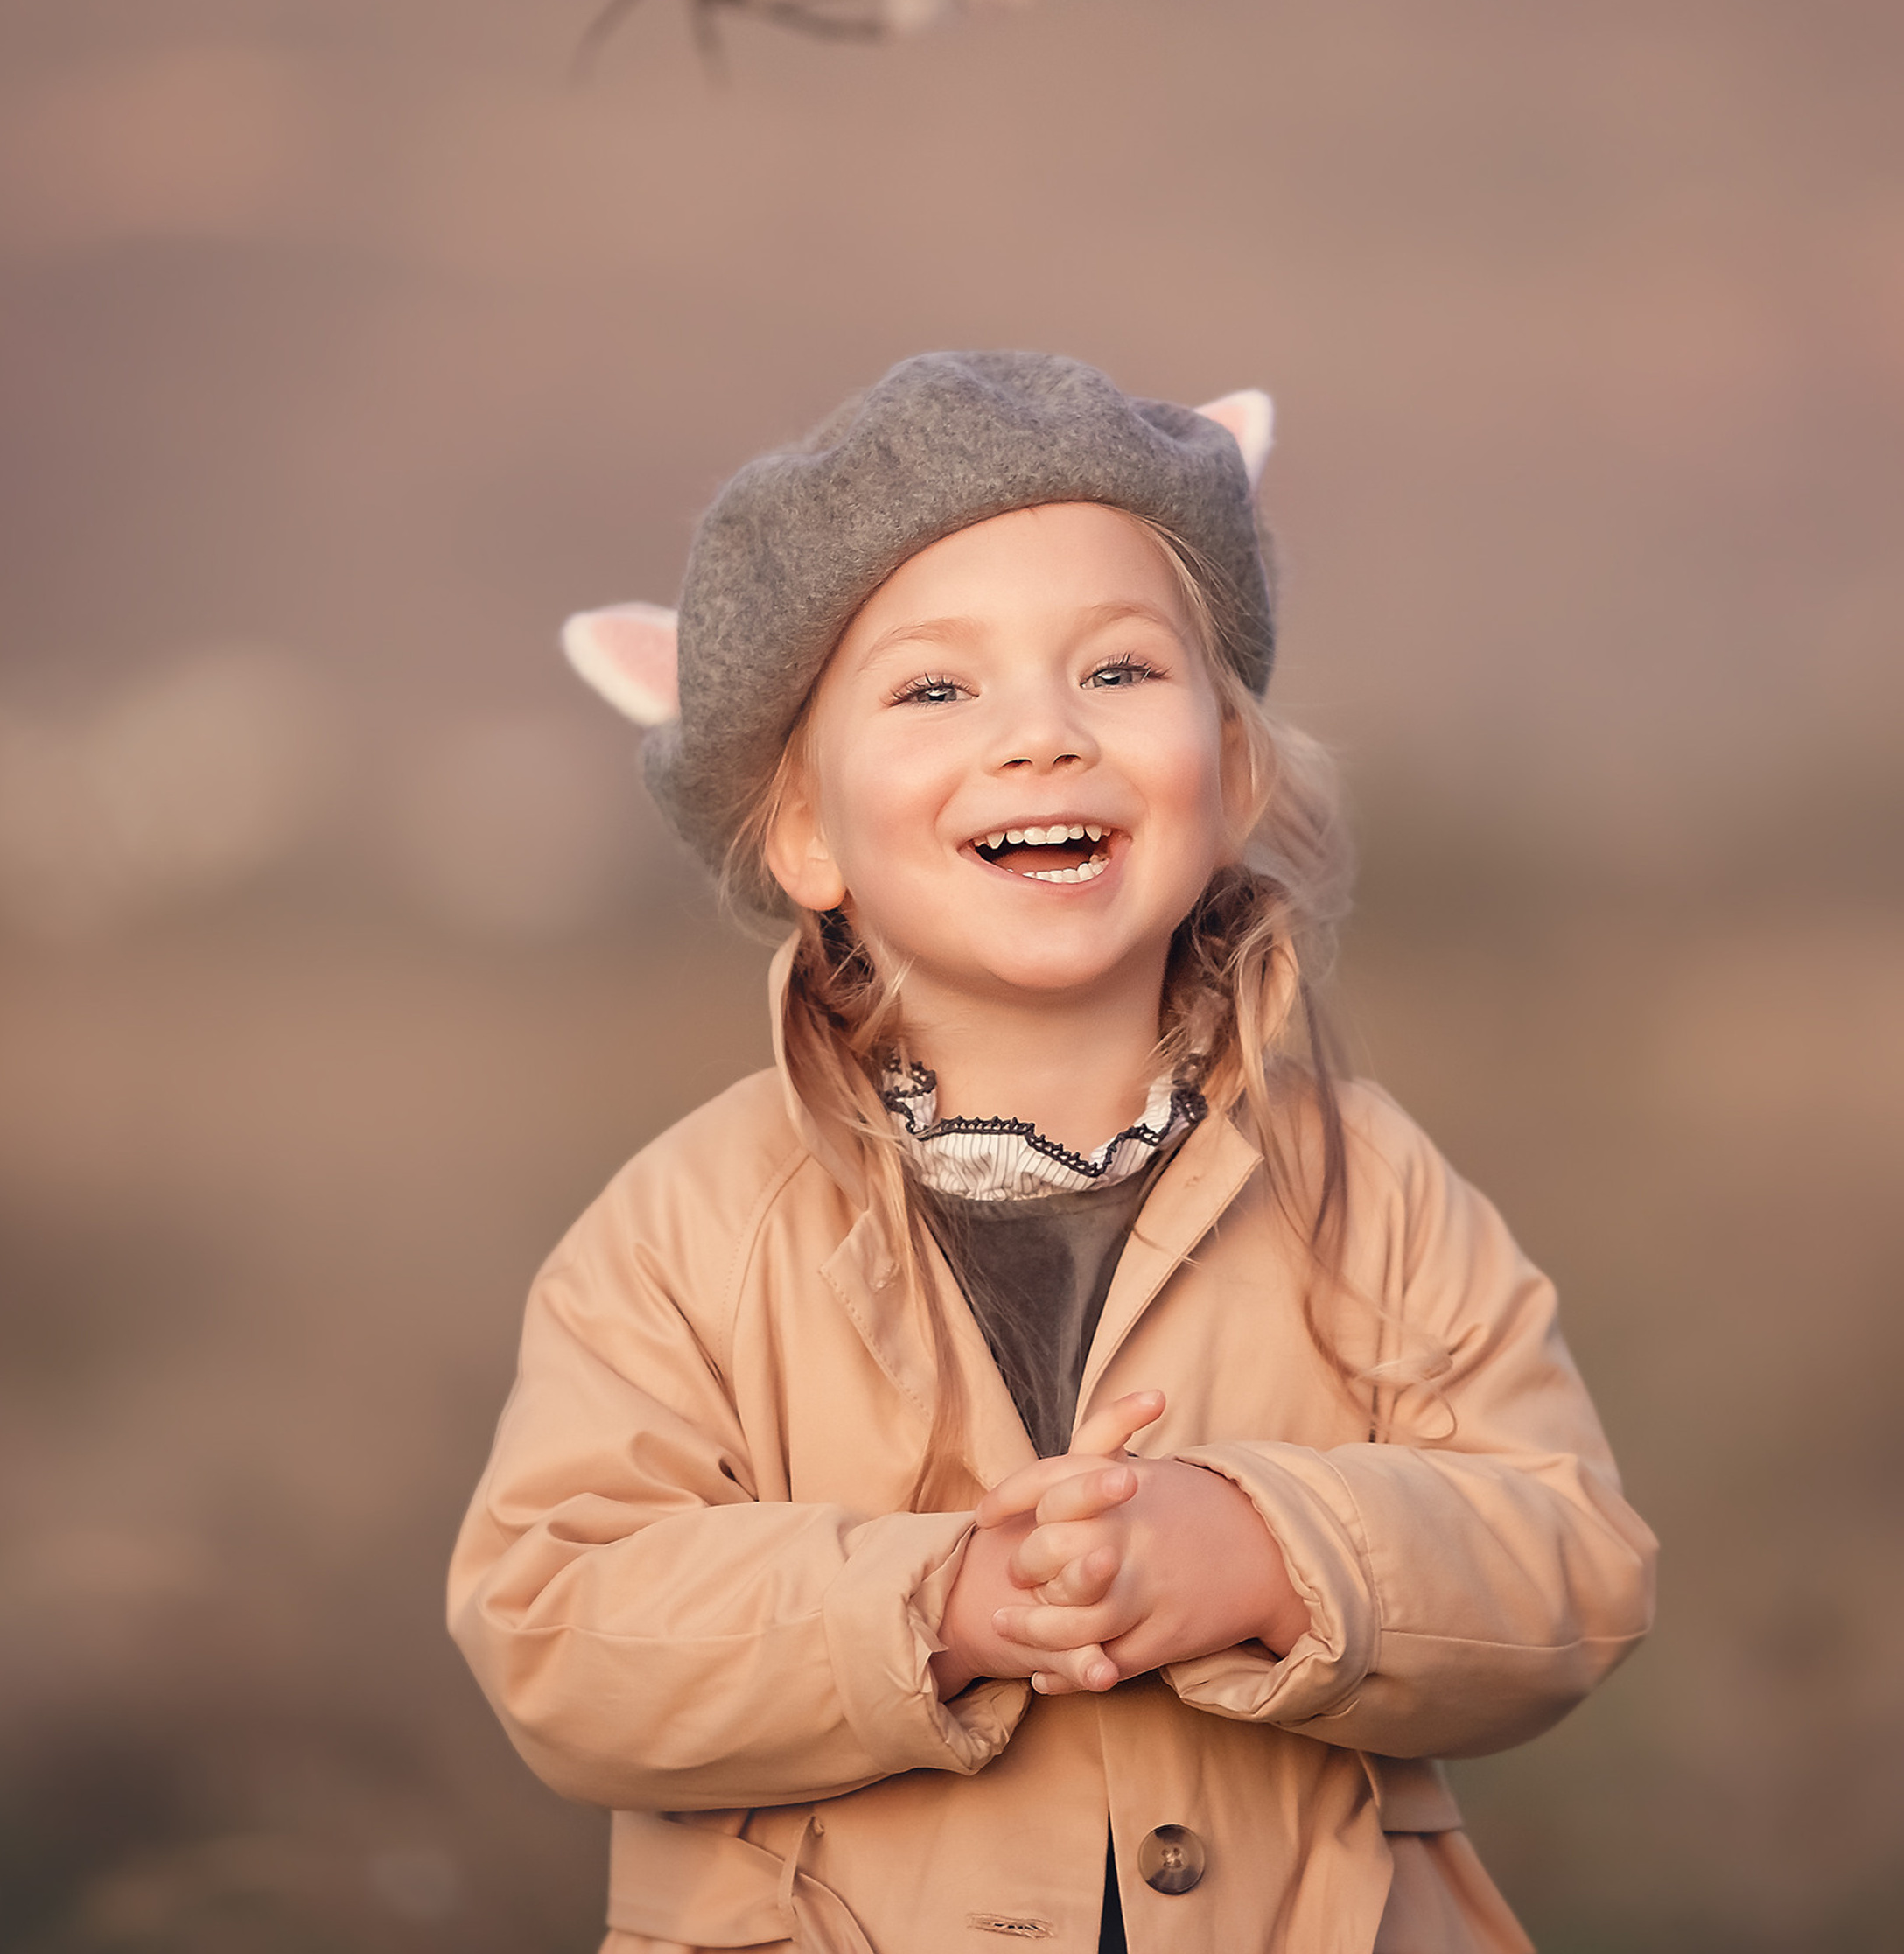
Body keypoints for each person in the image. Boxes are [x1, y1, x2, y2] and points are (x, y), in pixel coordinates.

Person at [448, 351, 1656, 1954]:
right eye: (938, 689)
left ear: (1227, 775)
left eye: (1117, 672)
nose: (1039, 737)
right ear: (806, 830)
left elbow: (1568, 1565)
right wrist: (934, 1605)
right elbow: (559, 1628)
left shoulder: (1362, 1185)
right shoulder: (687, 1228)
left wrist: (1269, 1553)